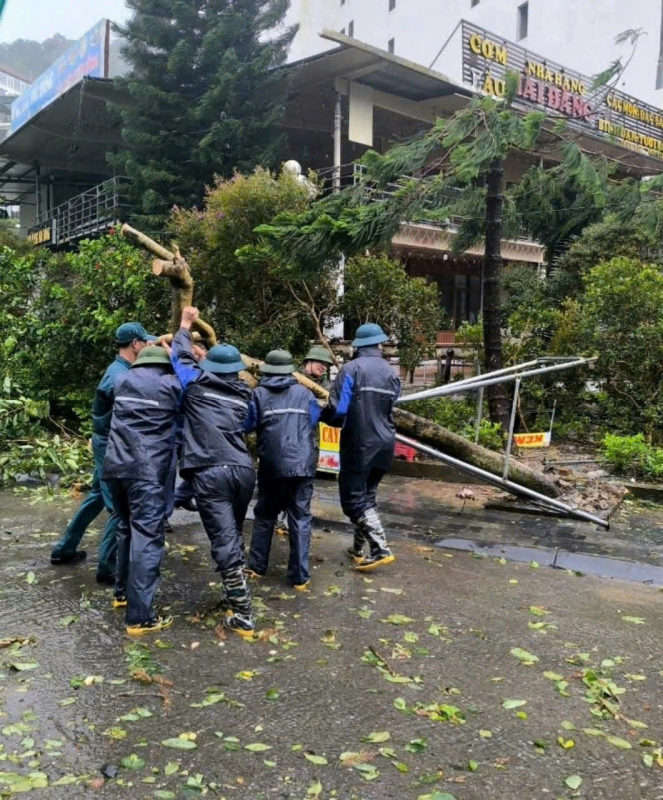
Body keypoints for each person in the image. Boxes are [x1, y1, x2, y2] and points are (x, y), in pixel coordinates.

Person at [165, 307, 256, 637]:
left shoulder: (196, 385)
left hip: (210, 470)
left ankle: (244, 613)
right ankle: (236, 596)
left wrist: (185, 325)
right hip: (243, 470)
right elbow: (248, 425)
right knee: (233, 533)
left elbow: (180, 358)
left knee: (222, 540)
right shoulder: (246, 395)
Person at [50, 322, 156, 583]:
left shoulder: (121, 369)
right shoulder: (118, 376)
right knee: (118, 508)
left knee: (97, 495)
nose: (147, 346)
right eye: (145, 342)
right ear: (135, 344)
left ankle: (64, 549)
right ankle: (107, 568)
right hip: (111, 444)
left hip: (105, 440)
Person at [103, 345, 181, 635]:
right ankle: (140, 617)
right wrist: (181, 355)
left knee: (126, 528)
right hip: (147, 472)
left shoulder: (121, 380)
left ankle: (121, 595)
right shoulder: (172, 385)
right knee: (148, 538)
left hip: (115, 468)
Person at [321, 323, 400, 571]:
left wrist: (320, 414)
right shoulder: (391, 372)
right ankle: (358, 549)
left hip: (359, 443)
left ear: (357, 346)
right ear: (378, 344)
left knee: (353, 501)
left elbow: (338, 410)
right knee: (367, 496)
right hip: (386, 442)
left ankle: (380, 548)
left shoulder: (351, 369)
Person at [244, 350, 320, 589]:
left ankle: (257, 567)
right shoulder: (306, 393)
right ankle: (300, 577)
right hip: (304, 464)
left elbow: (247, 424)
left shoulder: (257, 394)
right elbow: (314, 419)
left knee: (265, 514)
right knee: (300, 517)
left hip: (273, 465)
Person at [165, 341, 208, 523]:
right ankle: (163, 514)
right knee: (168, 471)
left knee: (198, 466)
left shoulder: (202, 374)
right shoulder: (177, 370)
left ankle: (182, 496)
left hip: (193, 429)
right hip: (174, 427)